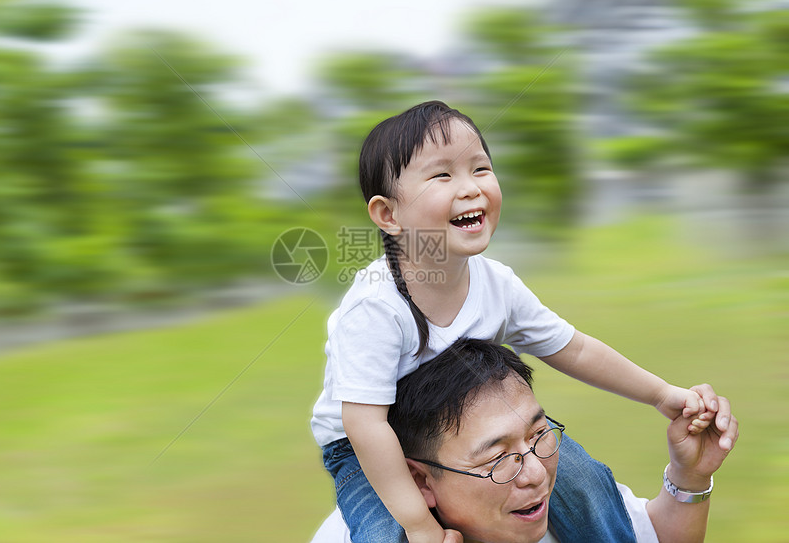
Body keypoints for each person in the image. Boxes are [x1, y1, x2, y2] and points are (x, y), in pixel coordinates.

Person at [309, 101, 734, 543]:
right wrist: (418, 524)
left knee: (587, 486)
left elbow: (575, 348)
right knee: (384, 536)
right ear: (388, 215)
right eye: (442, 175)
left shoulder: (497, 284)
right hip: (368, 448)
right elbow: (366, 425)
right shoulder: (376, 308)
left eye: (480, 168)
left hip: (482, 439)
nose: (470, 188)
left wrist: (661, 394)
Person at [312, 338, 738, 543]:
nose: (536, 474)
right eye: (498, 460)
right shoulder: (351, 535)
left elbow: (650, 538)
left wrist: (690, 476)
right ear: (420, 481)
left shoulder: (571, 510)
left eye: (539, 434)